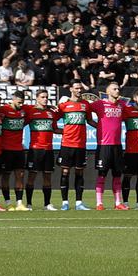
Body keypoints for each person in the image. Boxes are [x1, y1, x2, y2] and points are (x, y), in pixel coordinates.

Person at [87, 82, 127, 210]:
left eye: (118, 89)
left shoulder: (122, 105)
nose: (117, 91)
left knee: (117, 175)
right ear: (108, 92)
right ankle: (99, 203)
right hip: (104, 145)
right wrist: (95, 124)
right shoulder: (100, 104)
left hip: (117, 145)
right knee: (102, 175)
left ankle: (118, 203)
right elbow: (85, 108)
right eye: (114, 89)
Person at [56, 81, 91, 211]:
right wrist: (58, 130)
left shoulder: (86, 105)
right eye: (76, 88)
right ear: (71, 89)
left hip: (81, 144)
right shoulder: (64, 105)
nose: (79, 90)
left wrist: (102, 128)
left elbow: (90, 120)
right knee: (65, 171)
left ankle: (78, 203)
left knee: (79, 172)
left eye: (80, 88)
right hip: (67, 143)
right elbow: (53, 118)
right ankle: (65, 202)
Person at [23, 89, 58, 211]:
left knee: (47, 177)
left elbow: (55, 129)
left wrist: (68, 131)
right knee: (32, 176)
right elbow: (20, 124)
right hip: (35, 149)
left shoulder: (51, 113)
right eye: (42, 97)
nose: (45, 99)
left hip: (48, 149)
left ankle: (47, 204)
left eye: (46, 97)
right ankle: (28, 204)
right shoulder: (31, 111)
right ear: (37, 98)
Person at [0, 90, 29, 210]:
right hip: (6, 149)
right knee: (6, 176)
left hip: (19, 149)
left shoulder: (24, 110)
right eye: (19, 102)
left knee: (20, 175)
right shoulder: (3, 110)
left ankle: (19, 203)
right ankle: (7, 202)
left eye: (22, 102)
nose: (21, 105)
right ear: (13, 99)